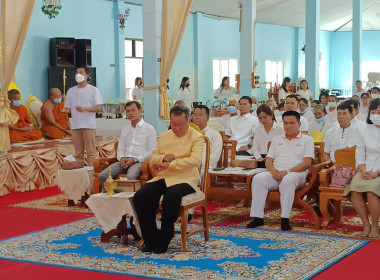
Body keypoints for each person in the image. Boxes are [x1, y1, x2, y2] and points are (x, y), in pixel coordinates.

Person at [133, 105, 204, 254]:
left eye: (180, 125)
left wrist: (171, 164)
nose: (176, 128)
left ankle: (165, 238)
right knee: (141, 196)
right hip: (165, 176)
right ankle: (150, 238)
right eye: (173, 124)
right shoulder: (164, 136)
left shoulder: (196, 136)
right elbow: (153, 158)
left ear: (189, 121)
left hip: (186, 178)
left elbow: (195, 161)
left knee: (171, 197)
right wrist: (163, 157)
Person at [247, 111, 314, 231]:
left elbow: (307, 163)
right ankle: (258, 217)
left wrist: (287, 172)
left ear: (299, 124)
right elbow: (268, 160)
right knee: (258, 178)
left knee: (288, 180)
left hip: (296, 175)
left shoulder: (307, 140)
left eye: (292, 123)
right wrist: (273, 172)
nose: (288, 126)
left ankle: (285, 219)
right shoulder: (276, 139)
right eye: (286, 123)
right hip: (276, 173)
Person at [98, 101, 157, 189]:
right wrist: (121, 158)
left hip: (139, 162)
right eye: (128, 111)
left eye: (133, 110)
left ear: (140, 110)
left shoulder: (149, 129)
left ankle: (131, 201)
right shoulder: (125, 129)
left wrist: (135, 160)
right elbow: (120, 149)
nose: (130, 113)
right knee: (102, 176)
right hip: (123, 161)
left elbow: (152, 151)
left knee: (131, 177)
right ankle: (112, 197)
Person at [343, 98, 380, 238]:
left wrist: (376, 173)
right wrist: (363, 170)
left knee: (371, 191)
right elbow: (360, 154)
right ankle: (366, 224)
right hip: (365, 168)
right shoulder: (364, 131)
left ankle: (375, 226)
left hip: (378, 172)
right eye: (374, 112)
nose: (376, 115)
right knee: (355, 190)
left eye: (379, 112)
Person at [65, 67, 103, 166]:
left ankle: (91, 174)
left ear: (87, 76)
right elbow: (68, 109)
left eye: (81, 72)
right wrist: (62, 111)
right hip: (75, 126)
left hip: (88, 125)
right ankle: (80, 175)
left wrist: (86, 109)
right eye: (77, 72)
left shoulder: (93, 90)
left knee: (90, 152)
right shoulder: (71, 91)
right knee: (78, 153)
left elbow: (98, 107)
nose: (78, 74)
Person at [192, 105, 223, 169]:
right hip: (189, 167)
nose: (196, 117)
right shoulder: (189, 133)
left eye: (200, 115)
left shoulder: (215, 135)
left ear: (207, 118)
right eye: (195, 114)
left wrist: (195, 163)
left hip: (206, 168)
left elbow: (214, 157)